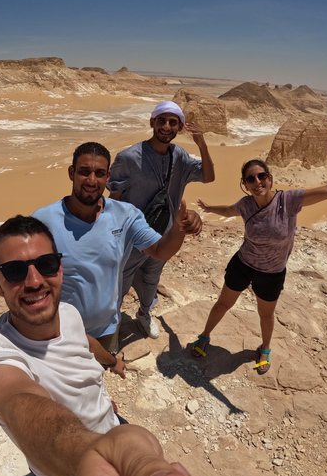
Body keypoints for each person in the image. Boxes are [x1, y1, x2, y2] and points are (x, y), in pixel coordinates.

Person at [0, 216, 209, 476]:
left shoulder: (67, 312)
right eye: (15, 271)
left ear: (60, 269)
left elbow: (85, 342)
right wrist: (90, 455)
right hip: (64, 474)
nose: (35, 281)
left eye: (46, 264)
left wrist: (112, 363)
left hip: (111, 424)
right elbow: (19, 403)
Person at [192, 151, 327, 374]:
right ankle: (204, 336)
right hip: (243, 264)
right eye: (251, 179)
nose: (257, 182)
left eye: (261, 176)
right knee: (223, 304)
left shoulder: (288, 201)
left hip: (272, 273)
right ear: (245, 185)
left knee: (266, 315)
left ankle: (265, 348)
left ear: (269, 178)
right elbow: (230, 210)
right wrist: (210, 209)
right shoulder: (246, 205)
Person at [33, 142, 201, 357]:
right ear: (71, 173)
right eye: (84, 172)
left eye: (99, 173)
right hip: (58, 332)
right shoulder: (42, 221)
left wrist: (179, 228)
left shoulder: (125, 215)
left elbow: (160, 251)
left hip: (106, 329)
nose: (92, 181)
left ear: (108, 177)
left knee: (97, 376)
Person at [108, 101, 214, 338]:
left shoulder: (181, 157)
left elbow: (208, 176)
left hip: (164, 237)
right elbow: (112, 202)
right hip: (132, 239)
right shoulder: (129, 158)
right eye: (161, 121)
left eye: (173, 122)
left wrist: (202, 144)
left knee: (151, 280)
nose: (166, 126)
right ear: (152, 123)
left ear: (179, 128)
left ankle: (144, 313)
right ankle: (110, 329)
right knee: (118, 287)